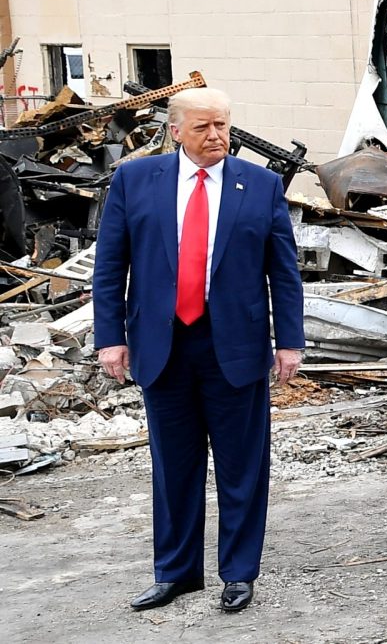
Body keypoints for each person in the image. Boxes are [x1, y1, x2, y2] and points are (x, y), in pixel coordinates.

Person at [92, 88, 304, 613]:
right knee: (173, 466)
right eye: (204, 127)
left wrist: (290, 342)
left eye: (223, 126)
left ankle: (238, 574)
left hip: (234, 345)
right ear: (176, 131)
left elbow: (284, 271)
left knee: (241, 467)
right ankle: (176, 572)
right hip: (162, 345)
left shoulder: (260, 184)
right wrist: (110, 338)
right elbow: (110, 267)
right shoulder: (135, 180)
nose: (216, 136)